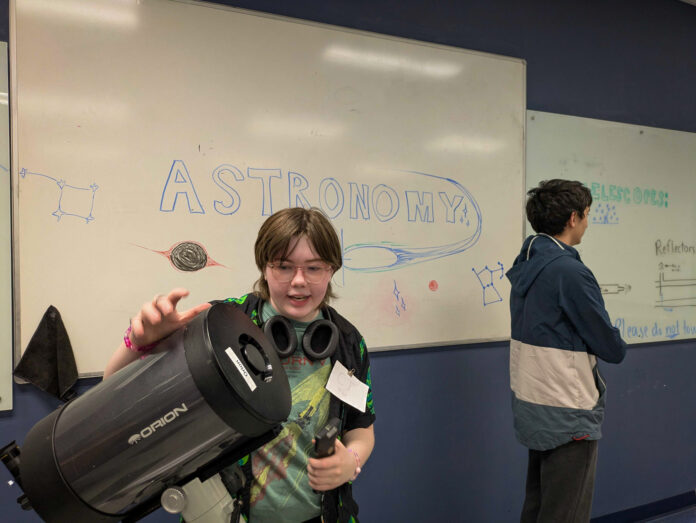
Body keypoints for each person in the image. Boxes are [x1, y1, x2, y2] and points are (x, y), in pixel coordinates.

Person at [104, 207, 376, 523]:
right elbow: (114, 392)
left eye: (314, 268)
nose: (299, 282)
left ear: (331, 270)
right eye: (284, 266)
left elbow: (362, 428)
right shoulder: (223, 325)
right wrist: (138, 344)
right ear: (264, 267)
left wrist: (351, 460)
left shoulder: (347, 340)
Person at [506, 179, 626, 523]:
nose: (588, 223)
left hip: (535, 404)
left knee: (540, 506)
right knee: (566, 514)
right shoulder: (569, 271)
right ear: (573, 218)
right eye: (587, 215)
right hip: (568, 409)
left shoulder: (527, 263)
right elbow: (610, 347)